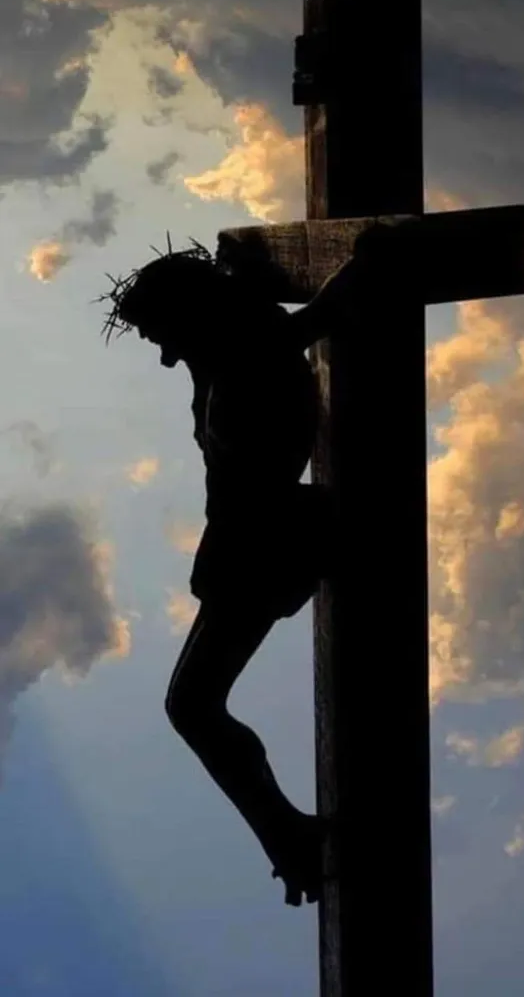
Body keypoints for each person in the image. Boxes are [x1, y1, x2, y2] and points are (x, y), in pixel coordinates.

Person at [98, 232, 387, 906]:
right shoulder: (226, 352)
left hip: (267, 540)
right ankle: (289, 839)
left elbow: (323, 312)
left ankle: (291, 840)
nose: (166, 357)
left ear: (192, 313)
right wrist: (237, 270)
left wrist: (371, 260)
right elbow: (262, 299)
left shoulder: (249, 355)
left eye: (160, 335)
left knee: (192, 705)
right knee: (191, 705)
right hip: (248, 543)